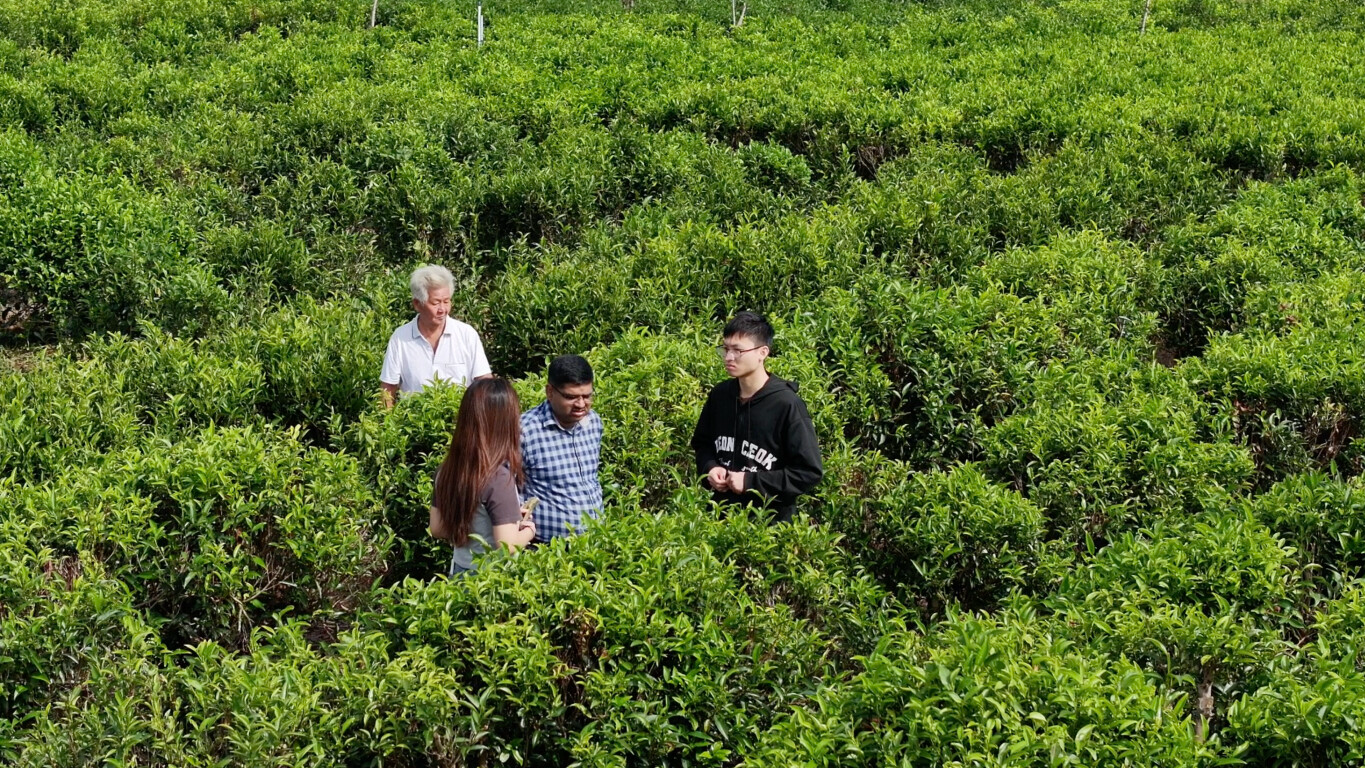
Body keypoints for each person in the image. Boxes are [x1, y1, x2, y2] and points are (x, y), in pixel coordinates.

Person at [691, 311, 822, 523]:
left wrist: (750, 481)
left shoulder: (786, 404)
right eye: (725, 349)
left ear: (763, 352)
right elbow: (702, 443)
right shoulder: (720, 396)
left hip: (769, 530)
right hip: (718, 520)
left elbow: (808, 472)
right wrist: (710, 468)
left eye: (738, 350)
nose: (729, 357)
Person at [429, 378, 537, 576]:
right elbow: (507, 546)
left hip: (460, 570)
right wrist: (529, 531)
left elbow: (437, 528)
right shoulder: (497, 477)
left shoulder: (446, 470)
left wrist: (502, 518)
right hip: (491, 580)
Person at [380, 265, 492, 407]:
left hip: (462, 423)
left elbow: (485, 383)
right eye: (435, 303)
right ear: (417, 304)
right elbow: (387, 389)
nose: (442, 309)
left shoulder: (466, 334)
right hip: (415, 423)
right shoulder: (401, 338)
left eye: (446, 301)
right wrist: (387, 425)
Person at [520, 355, 603, 542]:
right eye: (571, 397)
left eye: (587, 396)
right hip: (545, 549)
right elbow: (507, 489)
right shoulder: (525, 430)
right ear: (550, 392)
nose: (581, 404)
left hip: (594, 544)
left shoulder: (594, 422)